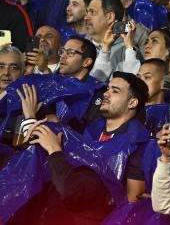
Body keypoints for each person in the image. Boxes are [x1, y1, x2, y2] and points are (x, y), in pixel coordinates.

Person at [14, 72, 150, 223]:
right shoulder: (90, 128)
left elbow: (131, 203)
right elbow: (43, 149)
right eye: (108, 88)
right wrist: (30, 117)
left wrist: (54, 150)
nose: (106, 94)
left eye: (115, 91)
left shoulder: (138, 143)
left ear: (132, 103)